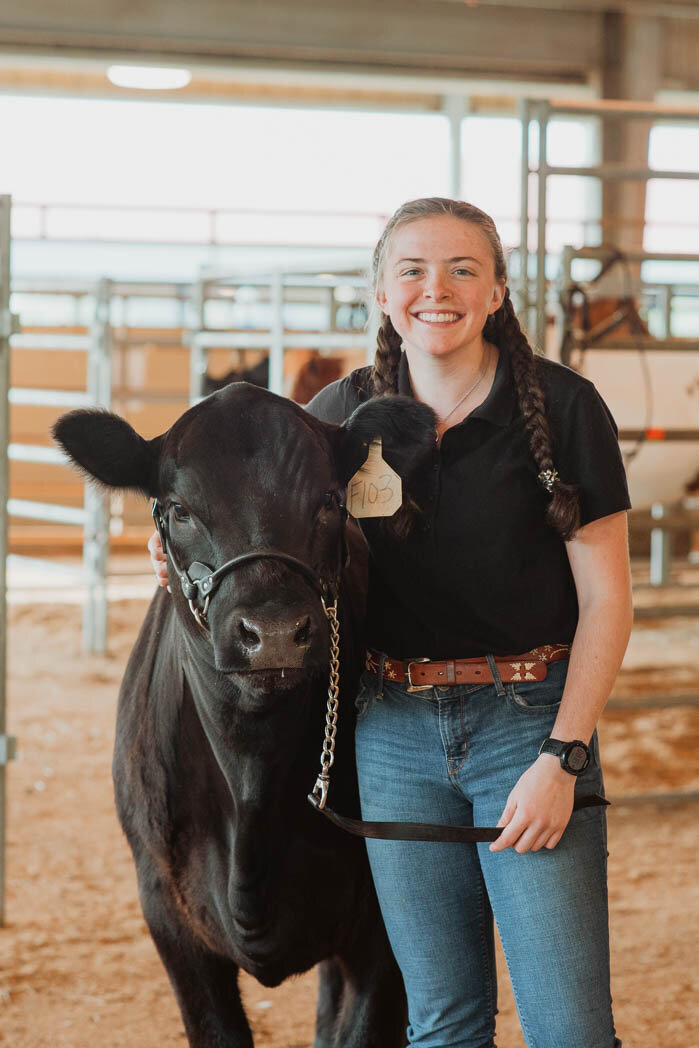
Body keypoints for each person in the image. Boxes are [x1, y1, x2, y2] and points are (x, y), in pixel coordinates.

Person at [149, 197, 632, 1048]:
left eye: (461, 269)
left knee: (569, 1030)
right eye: (410, 270)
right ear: (380, 293)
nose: (433, 289)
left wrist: (563, 755)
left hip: (525, 727)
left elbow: (607, 600)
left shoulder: (562, 408)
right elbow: (242, 506)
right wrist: (173, 550)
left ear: (496, 293)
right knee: (440, 1024)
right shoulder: (335, 416)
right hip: (393, 734)